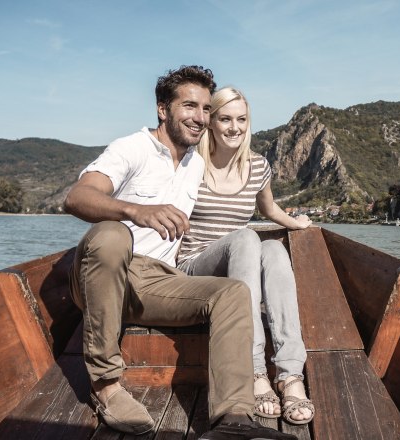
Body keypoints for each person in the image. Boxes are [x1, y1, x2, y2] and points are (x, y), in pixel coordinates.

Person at [64, 66, 295, 440]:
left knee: (233, 293)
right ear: (162, 109)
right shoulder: (132, 148)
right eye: (190, 106)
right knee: (112, 235)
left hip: (157, 280)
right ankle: (106, 385)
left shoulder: (195, 164)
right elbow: (77, 197)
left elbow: (236, 198)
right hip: (108, 271)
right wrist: (135, 211)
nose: (200, 117)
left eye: (205, 109)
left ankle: (233, 419)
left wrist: (287, 224)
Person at [177, 87, 314, 425]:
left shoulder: (257, 167)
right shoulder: (190, 164)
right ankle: (253, 370)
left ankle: (289, 374)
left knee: (274, 249)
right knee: (246, 237)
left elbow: (268, 209)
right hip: (195, 266)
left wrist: (296, 223)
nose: (234, 127)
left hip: (242, 262)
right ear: (211, 122)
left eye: (241, 119)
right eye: (225, 118)